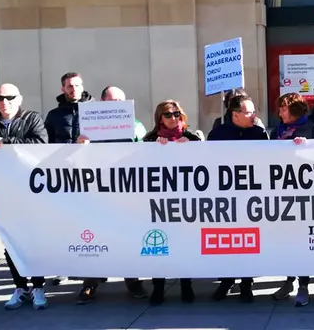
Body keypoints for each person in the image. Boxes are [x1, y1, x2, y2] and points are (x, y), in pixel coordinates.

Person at [0, 83, 49, 310]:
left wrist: (6, 142)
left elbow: (41, 144)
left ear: (19, 99)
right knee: (10, 243)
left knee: (34, 241)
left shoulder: (32, 119)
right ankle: (20, 287)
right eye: (0, 97)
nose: (4, 101)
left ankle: (38, 287)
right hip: (2, 195)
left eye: (9, 97)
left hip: (31, 193)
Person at [74, 86, 149, 305]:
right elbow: (76, 159)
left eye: (121, 101)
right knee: (95, 239)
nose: (117, 104)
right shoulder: (89, 128)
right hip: (97, 192)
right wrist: (80, 146)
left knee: (127, 238)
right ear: (101, 102)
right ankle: (90, 282)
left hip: (126, 192)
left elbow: (146, 153)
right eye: (112, 100)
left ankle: (132, 281)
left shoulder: (136, 126)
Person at [208, 94, 269, 302]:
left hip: (251, 197)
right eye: (249, 112)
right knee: (226, 240)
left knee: (249, 239)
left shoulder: (259, 133)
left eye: (253, 111)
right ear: (235, 115)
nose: (253, 116)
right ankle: (226, 280)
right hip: (225, 197)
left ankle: (246, 283)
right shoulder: (218, 134)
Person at [142, 100, 202, 305]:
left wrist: (192, 149)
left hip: (186, 201)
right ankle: (158, 288)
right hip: (158, 202)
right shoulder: (149, 140)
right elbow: (140, 169)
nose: (173, 118)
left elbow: (208, 164)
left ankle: (187, 285)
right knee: (159, 247)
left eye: (177, 113)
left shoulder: (192, 137)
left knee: (184, 244)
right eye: (168, 114)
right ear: (160, 118)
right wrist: (154, 151)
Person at [269, 93, 314, 306]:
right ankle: (288, 280)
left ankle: (304, 285)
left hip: (304, 197)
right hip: (282, 195)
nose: (280, 112)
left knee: (303, 241)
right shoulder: (277, 131)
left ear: (294, 109)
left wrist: (306, 149)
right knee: (287, 241)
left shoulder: (311, 129)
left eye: (283, 108)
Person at [44, 72, 93, 143]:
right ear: (63, 89)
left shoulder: (94, 112)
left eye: (77, 86)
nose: (74, 89)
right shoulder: (53, 115)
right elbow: (47, 141)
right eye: (70, 86)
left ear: (82, 88)